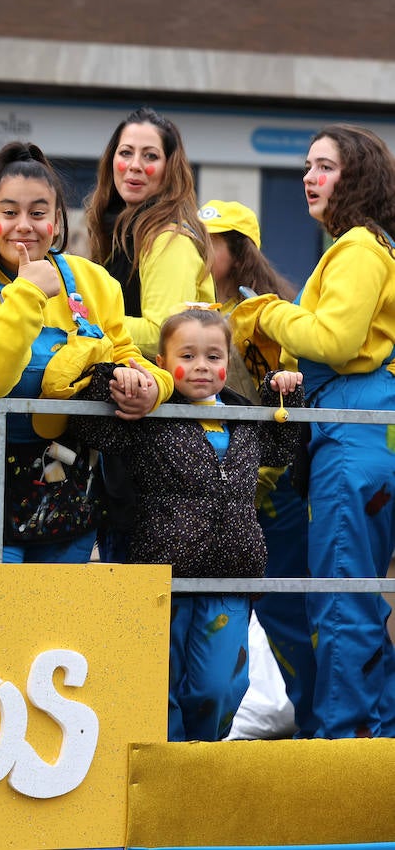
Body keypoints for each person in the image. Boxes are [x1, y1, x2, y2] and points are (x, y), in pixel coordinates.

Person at [72, 307, 304, 740]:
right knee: (162, 686)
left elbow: (282, 450)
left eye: (214, 357)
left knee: (222, 687)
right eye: (189, 355)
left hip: (230, 576)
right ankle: (169, 768)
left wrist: (285, 396)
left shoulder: (244, 414)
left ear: (227, 360)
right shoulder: (146, 413)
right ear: (161, 364)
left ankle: (202, 758)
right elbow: (90, 424)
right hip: (165, 576)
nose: (202, 366)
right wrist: (118, 378)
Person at [232, 124, 395, 738]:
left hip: (354, 436)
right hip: (364, 430)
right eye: (307, 165)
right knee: (349, 598)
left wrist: (265, 311)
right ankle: (374, 738)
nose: (308, 176)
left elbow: (335, 340)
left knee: (340, 599)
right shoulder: (375, 246)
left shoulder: (356, 246)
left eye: (324, 167)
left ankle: (342, 747)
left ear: (357, 178)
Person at [0, 142, 172, 563]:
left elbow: (126, 353)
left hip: (72, 497)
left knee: (58, 627)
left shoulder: (94, 281)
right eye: (9, 213)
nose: (23, 226)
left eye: (39, 213)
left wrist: (149, 388)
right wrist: (26, 294)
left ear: (57, 219)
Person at [200, 199, 315, 735]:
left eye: (211, 241)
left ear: (238, 250)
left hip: (271, 494)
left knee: (287, 615)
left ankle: (318, 725)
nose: (199, 250)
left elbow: (292, 397)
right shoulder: (189, 310)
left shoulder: (270, 312)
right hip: (210, 492)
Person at [84, 107, 212, 361]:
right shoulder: (116, 233)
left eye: (150, 156)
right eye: (126, 153)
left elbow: (162, 335)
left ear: (169, 169)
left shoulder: (169, 239)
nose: (134, 166)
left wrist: (83, 320)